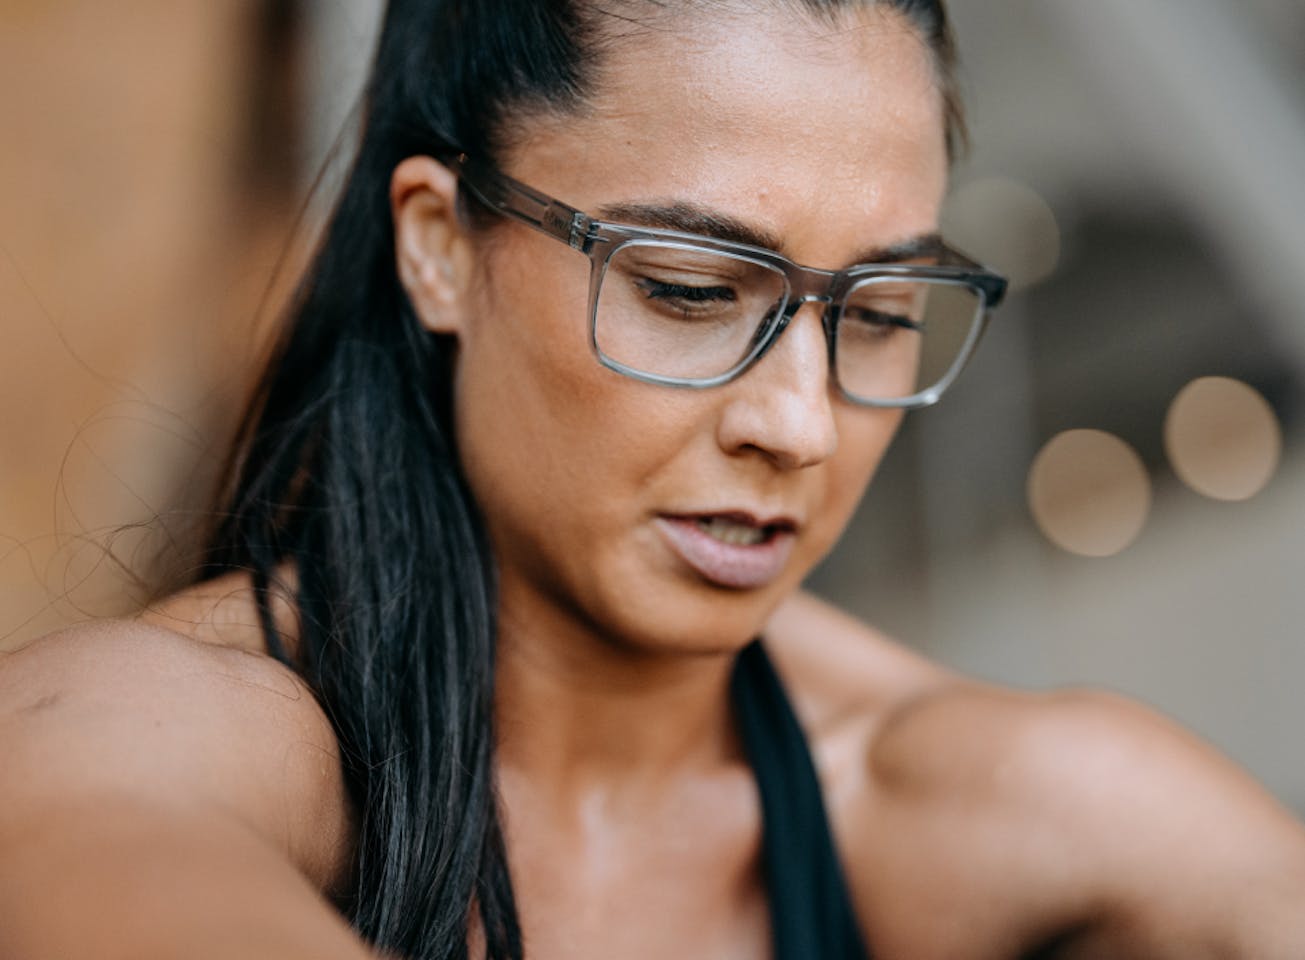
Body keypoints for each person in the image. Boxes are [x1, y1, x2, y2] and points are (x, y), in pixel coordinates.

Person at [3, 0, 1304, 957]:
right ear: (439, 247)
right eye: (688, 290)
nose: (799, 424)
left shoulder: (978, 800)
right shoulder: (146, 731)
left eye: (877, 308)